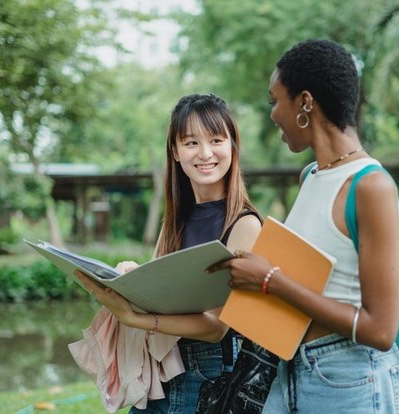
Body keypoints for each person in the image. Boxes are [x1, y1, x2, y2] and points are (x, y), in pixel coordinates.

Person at [209, 39, 399, 413]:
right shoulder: (312, 176)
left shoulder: (371, 186)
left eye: (274, 100)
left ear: (305, 102)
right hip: (293, 369)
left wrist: (270, 280)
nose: (272, 114)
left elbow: (381, 331)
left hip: (352, 379)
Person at [75, 93, 262, 414]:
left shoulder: (245, 224)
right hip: (163, 365)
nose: (205, 153)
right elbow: (167, 294)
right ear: (175, 151)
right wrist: (134, 277)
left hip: (209, 373)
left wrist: (135, 318)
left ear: (233, 145)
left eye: (216, 139)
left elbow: (217, 326)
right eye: (191, 143)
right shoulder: (176, 219)